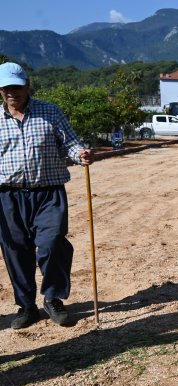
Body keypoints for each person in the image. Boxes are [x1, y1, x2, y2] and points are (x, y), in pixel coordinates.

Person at [0, 62, 92, 329]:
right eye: (6, 87)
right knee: (15, 251)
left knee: (53, 243)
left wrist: (81, 154)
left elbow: (72, 144)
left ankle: (53, 298)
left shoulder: (50, 112)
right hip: (8, 196)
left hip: (48, 193)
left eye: (16, 86)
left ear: (27, 85)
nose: (11, 92)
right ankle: (26, 306)